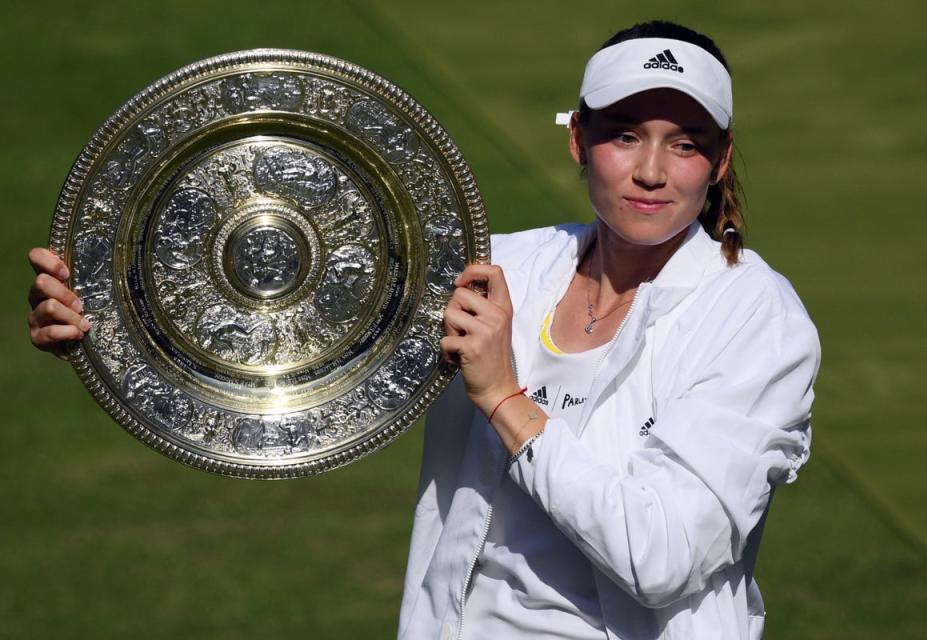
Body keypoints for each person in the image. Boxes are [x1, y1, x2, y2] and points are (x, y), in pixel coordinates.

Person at [27, 20, 819, 640]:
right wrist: (110, 325)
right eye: (624, 136)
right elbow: (291, 335)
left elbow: (663, 559)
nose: (652, 171)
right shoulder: (503, 268)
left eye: (685, 146)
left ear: (718, 163)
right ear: (578, 139)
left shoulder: (757, 322)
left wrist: (507, 399)